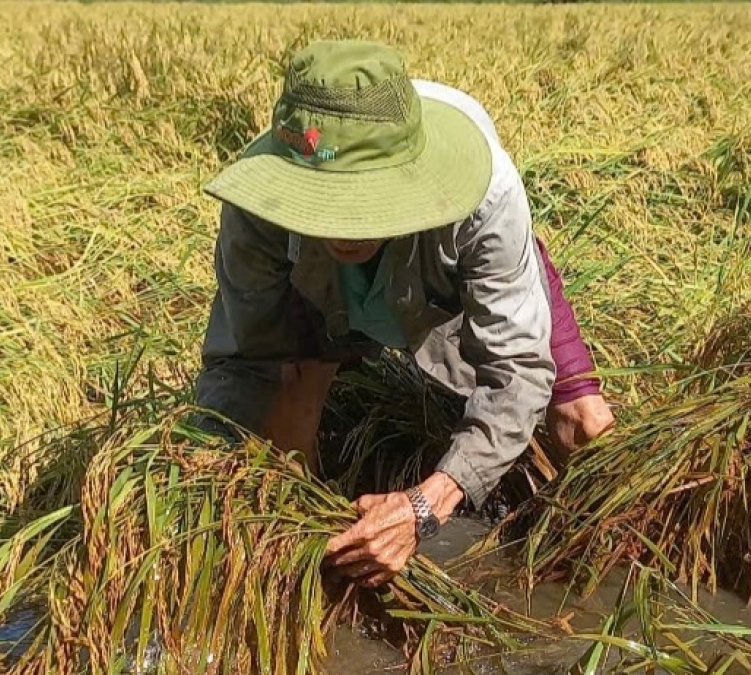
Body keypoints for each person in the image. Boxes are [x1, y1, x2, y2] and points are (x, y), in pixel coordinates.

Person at [191, 39, 615, 589]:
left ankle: (601, 576)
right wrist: (209, 463)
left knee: (584, 424)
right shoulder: (258, 215)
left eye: (363, 202)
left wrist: (426, 504)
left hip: (446, 283)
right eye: (321, 202)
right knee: (287, 411)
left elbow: (518, 373)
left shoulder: (486, 196)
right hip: (322, 300)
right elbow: (249, 360)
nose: (342, 229)